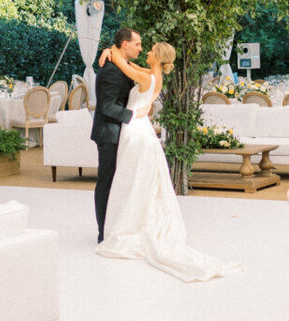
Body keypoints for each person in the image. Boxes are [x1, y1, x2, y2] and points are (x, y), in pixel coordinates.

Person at [95, 40, 237, 282]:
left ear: (158, 57)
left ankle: (125, 225)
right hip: (139, 128)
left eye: (150, 50)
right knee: (133, 180)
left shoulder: (148, 78)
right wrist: (111, 52)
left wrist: (111, 52)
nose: (146, 51)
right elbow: (128, 64)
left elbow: (122, 63)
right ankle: (124, 221)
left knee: (131, 180)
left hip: (136, 130)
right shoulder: (151, 74)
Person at [91, 28, 142, 244]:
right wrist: (133, 116)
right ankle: (103, 233)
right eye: (137, 44)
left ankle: (115, 227)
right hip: (109, 134)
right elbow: (107, 106)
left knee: (117, 183)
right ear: (125, 44)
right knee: (106, 182)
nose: (140, 48)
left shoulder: (125, 66)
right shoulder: (112, 70)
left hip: (120, 133)